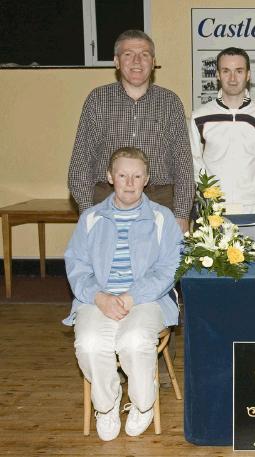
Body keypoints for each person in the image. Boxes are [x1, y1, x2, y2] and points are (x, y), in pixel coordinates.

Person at [63, 147, 183, 441]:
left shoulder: (162, 218)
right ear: (109, 177)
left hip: (147, 298)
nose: (129, 182)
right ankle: (106, 406)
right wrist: (99, 296)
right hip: (97, 299)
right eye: (122, 175)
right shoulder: (90, 218)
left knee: (133, 340)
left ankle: (143, 404)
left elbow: (170, 267)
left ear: (147, 179)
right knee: (90, 343)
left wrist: (132, 296)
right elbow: (77, 265)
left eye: (137, 176)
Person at [68, 29, 194, 234]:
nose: (137, 61)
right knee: (109, 264)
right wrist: (87, 212)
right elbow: (81, 162)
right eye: (128, 54)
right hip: (106, 199)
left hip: (160, 200)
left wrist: (181, 214)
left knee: (161, 266)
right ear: (117, 61)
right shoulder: (98, 100)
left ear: (153, 62)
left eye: (144, 55)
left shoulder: (170, 102)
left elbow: (184, 166)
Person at [190, 47, 255, 214]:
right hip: (211, 209)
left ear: (248, 75)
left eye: (239, 71)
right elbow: (194, 161)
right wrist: (208, 195)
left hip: (252, 207)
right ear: (218, 75)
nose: (233, 78)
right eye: (226, 71)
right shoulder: (199, 116)